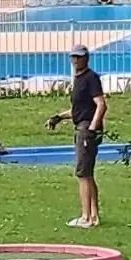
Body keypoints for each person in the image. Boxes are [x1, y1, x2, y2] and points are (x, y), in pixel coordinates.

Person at [45, 42, 106, 228]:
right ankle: (94, 216)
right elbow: (78, 109)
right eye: (73, 57)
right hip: (82, 125)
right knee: (88, 173)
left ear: (86, 58)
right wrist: (58, 118)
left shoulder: (90, 78)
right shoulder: (78, 79)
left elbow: (101, 105)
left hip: (86, 129)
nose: (75, 60)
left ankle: (86, 217)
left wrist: (92, 129)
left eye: (78, 57)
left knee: (82, 173)